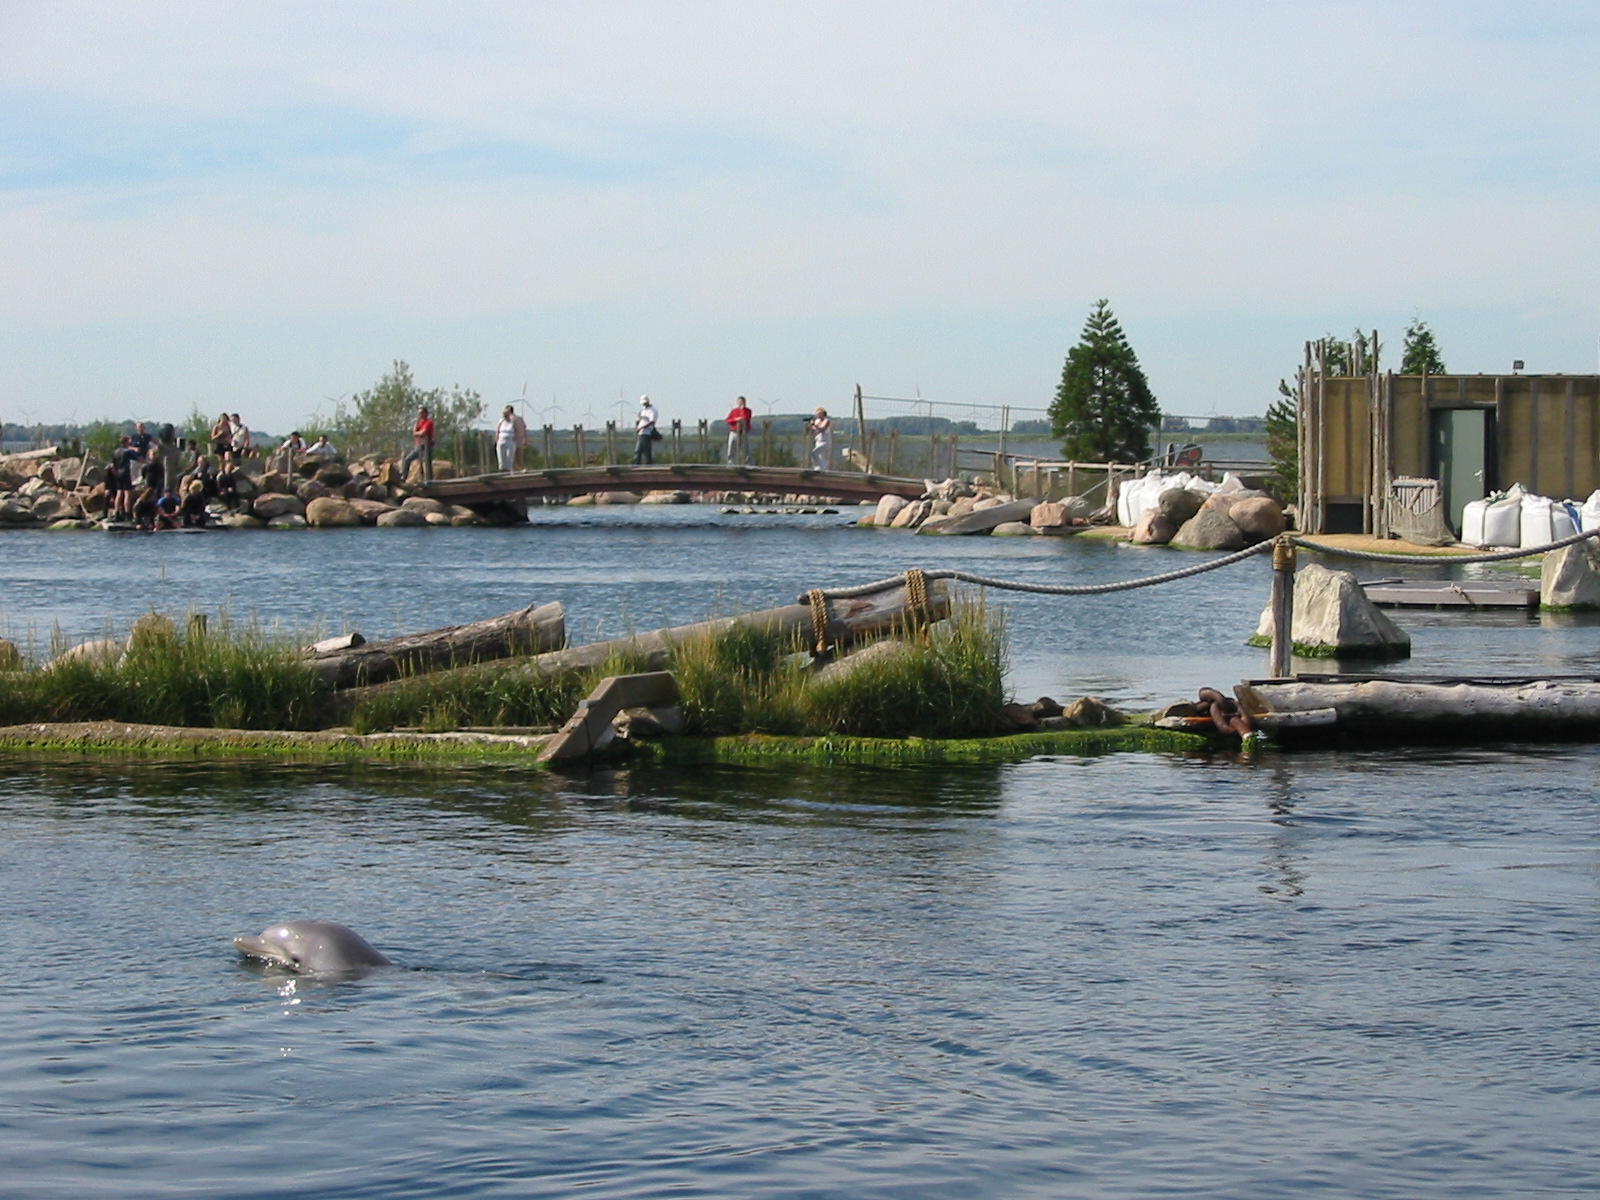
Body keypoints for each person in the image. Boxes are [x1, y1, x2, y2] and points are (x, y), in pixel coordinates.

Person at [400, 405, 435, 482]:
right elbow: (414, 432)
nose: (420, 415)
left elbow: (423, 433)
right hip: (419, 445)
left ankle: (429, 479)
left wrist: (417, 433)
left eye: (421, 413)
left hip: (425, 446)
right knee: (407, 459)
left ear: (426, 413)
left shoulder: (428, 422)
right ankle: (403, 476)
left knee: (427, 463)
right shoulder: (420, 423)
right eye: (419, 413)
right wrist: (417, 422)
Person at [725, 396, 752, 466]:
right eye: (739, 401)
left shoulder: (748, 411)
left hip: (743, 432)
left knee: (745, 448)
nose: (741, 403)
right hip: (734, 431)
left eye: (742, 401)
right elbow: (728, 420)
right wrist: (736, 419)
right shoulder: (734, 411)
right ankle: (731, 462)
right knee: (731, 447)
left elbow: (746, 418)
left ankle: (747, 463)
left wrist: (742, 411)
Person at [632, 395, 659, 465]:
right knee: (639, 451)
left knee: (644, 451)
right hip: (641, 433)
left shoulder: (652, 410)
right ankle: (637, 465)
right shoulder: (644, 410)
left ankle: (647, 466)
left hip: (647, 433)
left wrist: (641, 427)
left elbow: (652, 421)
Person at [495, 405, 519, 473]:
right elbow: (497, 430)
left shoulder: (513, 421)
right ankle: (502, 471)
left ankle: (508, 471)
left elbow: (516, 430)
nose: (505, 416)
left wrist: (516, 438)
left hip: (510, 440)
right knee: (501, 458)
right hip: (501, 440)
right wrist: (497, 437)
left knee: (509, 458)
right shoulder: (501, 421)